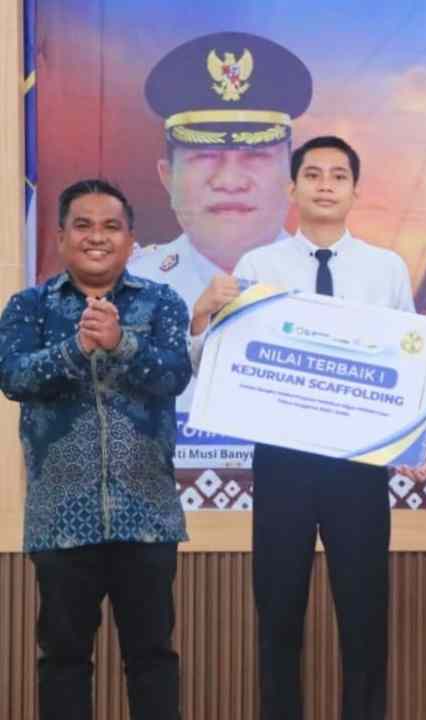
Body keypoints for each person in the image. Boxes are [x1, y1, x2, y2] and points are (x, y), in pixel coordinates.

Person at [189, 136, 426, 720]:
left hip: (359, 466)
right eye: (314, 174)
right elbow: (211, 363)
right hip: (283, 463)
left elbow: (411, 366)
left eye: (339, 175)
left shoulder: (385, 268)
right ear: (292, 188)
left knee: (365, 617)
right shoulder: (258, 266)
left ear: (355, 190)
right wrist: (202, 314)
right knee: (278, 615)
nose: (326, 184)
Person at [0, 179, 192, 719]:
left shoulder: (161, 302)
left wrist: (120, 342)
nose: (97, 237)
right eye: (82, 225)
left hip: (146, 517)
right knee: (63, 660)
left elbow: (175, 375)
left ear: (131, 239)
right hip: (61, 518)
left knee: (152, 658)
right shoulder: (30, 306)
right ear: (61, 237)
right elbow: (13, 377)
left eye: (111, 226)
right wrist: (77, 347)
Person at [130, 31, 312, 418]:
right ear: (167, 176)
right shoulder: (133, 288)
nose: (230, 180)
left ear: (291, 176)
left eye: (256, 155)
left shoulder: (325, 283)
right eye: (205, 155)